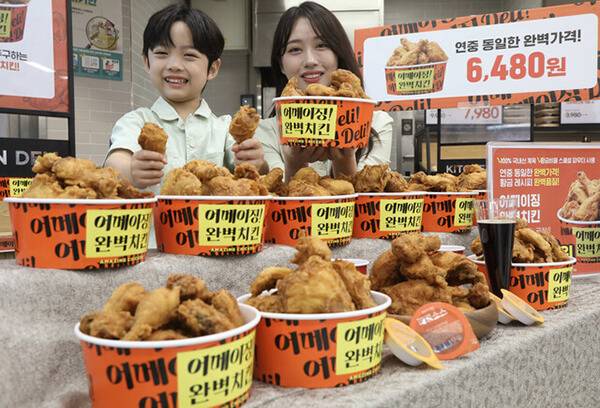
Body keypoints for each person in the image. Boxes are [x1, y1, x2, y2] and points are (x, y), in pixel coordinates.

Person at [105, 3, 265, 194]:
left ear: (212, 69)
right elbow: (115, 162)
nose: (174, 65)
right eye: (162, 53)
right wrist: (131, 170)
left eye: (189, 55)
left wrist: (257, 161)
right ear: (147, 62)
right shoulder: (136, 122)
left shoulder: (224, 129)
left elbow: (253, 169)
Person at [255, 1, 393, 181]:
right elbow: (278, 195)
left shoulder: (376, 124)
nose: (310, 60)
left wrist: (345, 160)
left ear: (338, 53)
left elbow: (369, 192)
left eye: (321, 45)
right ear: (280, 64)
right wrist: (294, 163)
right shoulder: (266, 133)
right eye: (295, 49)